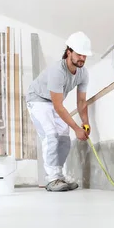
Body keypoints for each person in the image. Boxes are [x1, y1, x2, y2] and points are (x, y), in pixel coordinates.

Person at [26, 31, 92, 192]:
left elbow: (82, 101)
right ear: (69, 52)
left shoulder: (83, 73)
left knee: (64, 137)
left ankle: (59, 176)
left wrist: (85, 123)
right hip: (38, 99)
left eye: (85, 55)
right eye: (79, 54)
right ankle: (52, 179)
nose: (82, 58)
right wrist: (76, 128)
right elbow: (58, 105)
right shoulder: (58, 71)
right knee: (51, 134)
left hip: (54, 102)